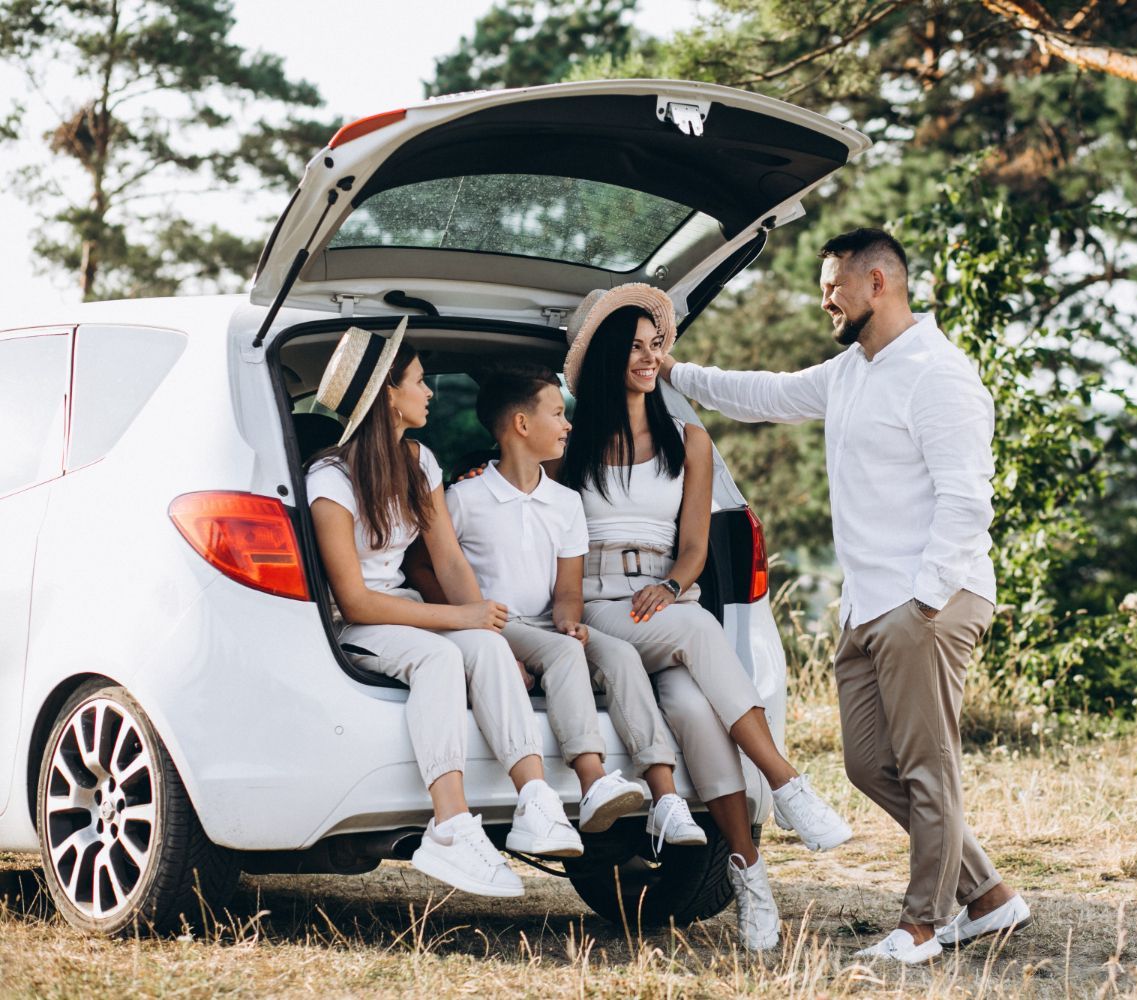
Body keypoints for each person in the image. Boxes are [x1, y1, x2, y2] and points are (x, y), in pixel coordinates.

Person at [659, 229, 1030, 964]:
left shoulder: (938, 375)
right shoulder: (853, 370)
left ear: (879, 284)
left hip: (927, 603)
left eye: (834, 285)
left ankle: (921, 925)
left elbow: (967, 503)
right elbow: (764, 394)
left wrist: (922, 604)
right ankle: (988, 897)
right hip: (869, 605)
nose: (824, 298)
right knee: (868, 765)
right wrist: (675, 371)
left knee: (929, 767)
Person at [560, 283, 854, 953]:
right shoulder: (570, 444)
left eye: (655, 346)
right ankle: (787, 783)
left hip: (665, 597)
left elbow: (694, 550)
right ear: (609, 357)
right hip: (604, 609)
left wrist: (670, 582)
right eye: (635, 348)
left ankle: (750, 878)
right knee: (698, 630)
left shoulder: (688, 440)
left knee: (695, 711)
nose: (649, 357)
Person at [306, 319, 582, 901]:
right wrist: (460, 618)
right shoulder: (328, 480)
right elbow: (354, 600)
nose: (429, 392)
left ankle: (535, 799)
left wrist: (489, 631)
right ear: (387, 394)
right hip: (357, 625)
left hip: (402, 611)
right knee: (439, 658)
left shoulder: (420, 462)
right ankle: (451, 827)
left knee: (484, 646)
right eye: (419, 381)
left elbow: (451, 564)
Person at [433, 364, 708, 847]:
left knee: (618, 654)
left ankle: (665, 798)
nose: (568, 425)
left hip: (546, 624)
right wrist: (469, 622)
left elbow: (568, 590)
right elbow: (424, 566)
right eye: (558, 414)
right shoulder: (465, 498)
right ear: (521, 425)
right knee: (563, 654)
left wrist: (569, 621)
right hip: (496, 624)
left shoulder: (565, 502)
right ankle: (591, 778)